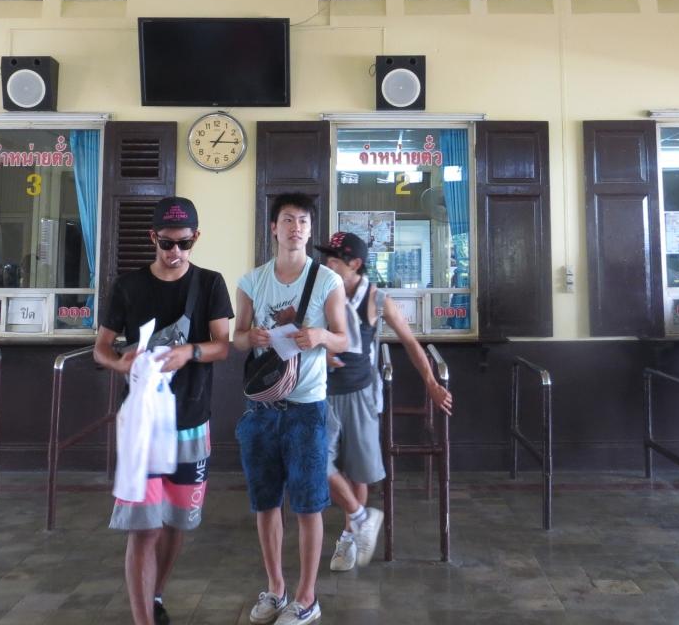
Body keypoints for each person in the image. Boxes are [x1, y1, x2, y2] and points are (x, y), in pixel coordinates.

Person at [94, 197, 233, 625]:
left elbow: (222, 346)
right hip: (143, 424)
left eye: (185, 243)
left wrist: (189, 351)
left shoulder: (210, 284)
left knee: (175, 522)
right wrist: (121, 363)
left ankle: (155, 595)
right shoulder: (128, 286)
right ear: (153, 237)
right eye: (167, 243)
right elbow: (102, 348)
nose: (176, 252)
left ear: (196, 238)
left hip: (191, 420)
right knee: (144, 528)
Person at [234, 194, 348, 625]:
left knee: (308, 505)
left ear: (310, 230)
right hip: (261, 408)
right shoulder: (252, 281)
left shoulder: (327, 281)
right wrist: (252, 338)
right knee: (265, 503)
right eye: (287, 220)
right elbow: (236, 337)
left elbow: (344, 339)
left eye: (302, 221)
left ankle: (307, 597)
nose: (295, 228)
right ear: (274, 228)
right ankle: (276, 589)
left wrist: (320, 336)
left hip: (306, 408)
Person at [314, 231, 453, 572]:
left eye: (334, 260)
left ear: (355, 264)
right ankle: (361, 517)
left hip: (360, 394)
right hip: (321, 391)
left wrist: (432, 383)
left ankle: (349, 537)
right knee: (316, 461)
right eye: (326, 259)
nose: (327, 265)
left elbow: (410, 343)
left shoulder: (377, 300)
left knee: (358, 471)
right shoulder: (321, 291)